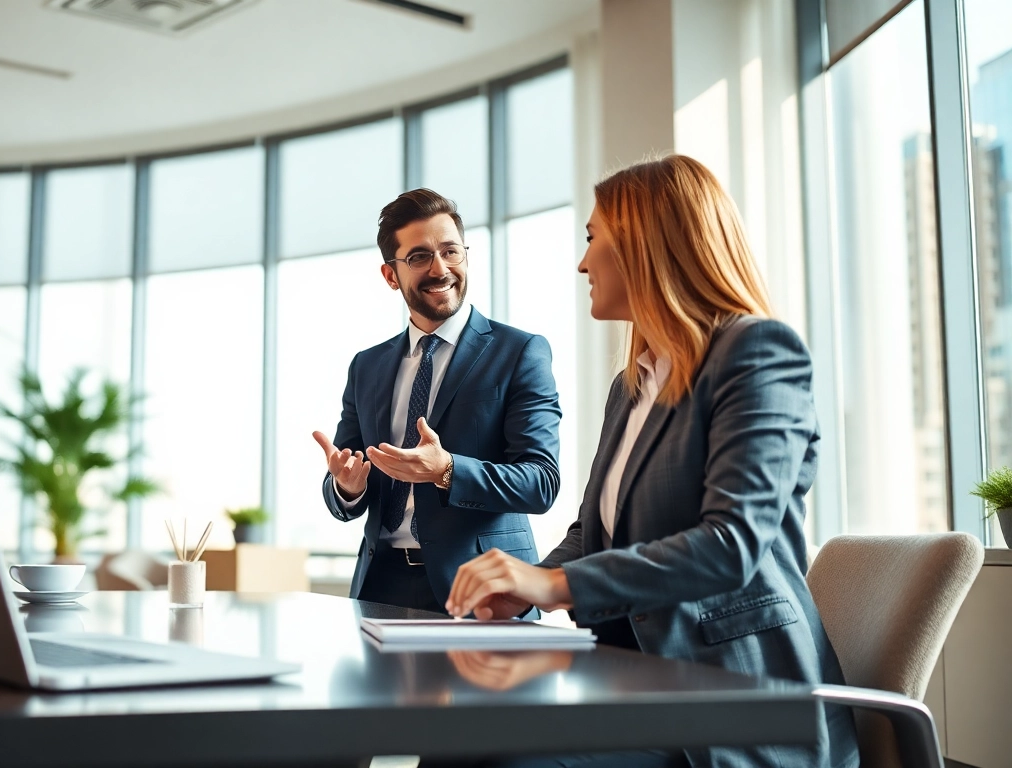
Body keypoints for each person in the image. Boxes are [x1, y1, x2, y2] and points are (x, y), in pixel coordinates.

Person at [443, 156, 860, 768]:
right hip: (639, 685)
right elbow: (592, 532)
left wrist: (554, 585)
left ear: (646, 242)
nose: (582, 262)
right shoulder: (631, 386)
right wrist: (523, 590)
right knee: (462, 743)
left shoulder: (757, 353)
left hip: (737, 701)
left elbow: (731, 545)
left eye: (593, 239)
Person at [312, 188, 562, 614]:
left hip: (482, 590)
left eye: (450, 251)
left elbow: (541, 483)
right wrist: (346, 487)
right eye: (419, 257)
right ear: (391, 275)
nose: (440, 268)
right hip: (379, 585)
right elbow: (346, 478)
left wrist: (447, 470)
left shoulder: (520, 352)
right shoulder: (366, 367)